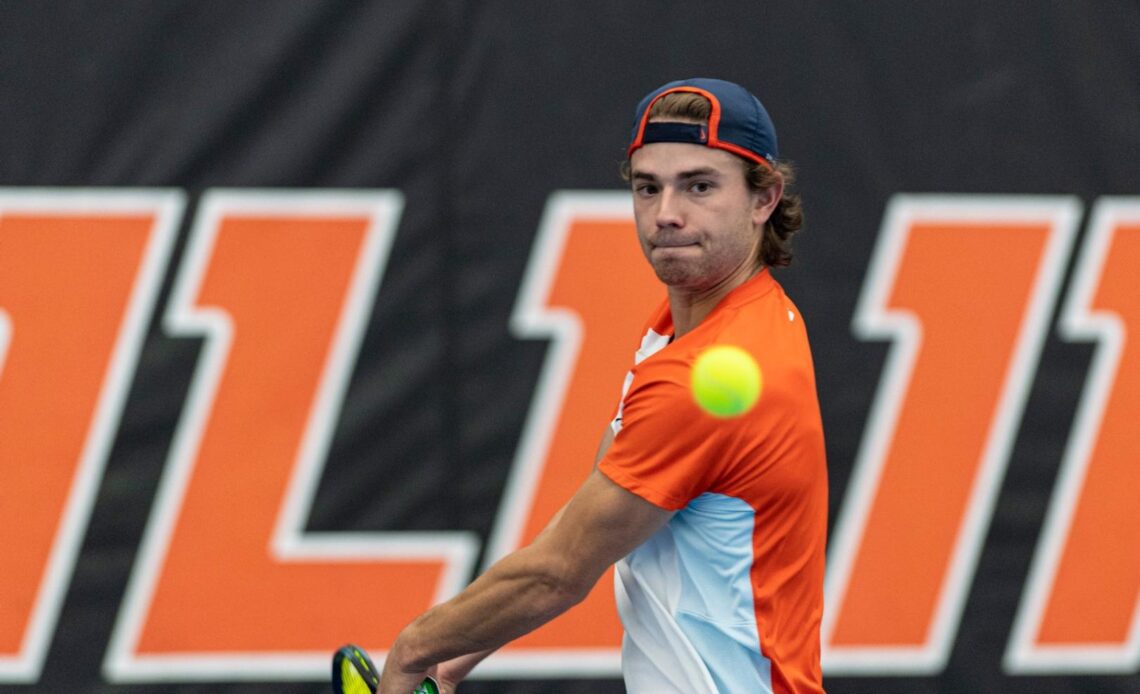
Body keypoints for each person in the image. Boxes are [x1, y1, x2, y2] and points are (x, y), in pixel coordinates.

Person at [379, 78, 828, 694]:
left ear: (764, 199)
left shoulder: (707, 374)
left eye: (699, 185)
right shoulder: (688, 326)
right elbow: (596, 508)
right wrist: (460, 655)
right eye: (649, 187)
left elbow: (560, 571)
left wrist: (411, 652)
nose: (667, 212)